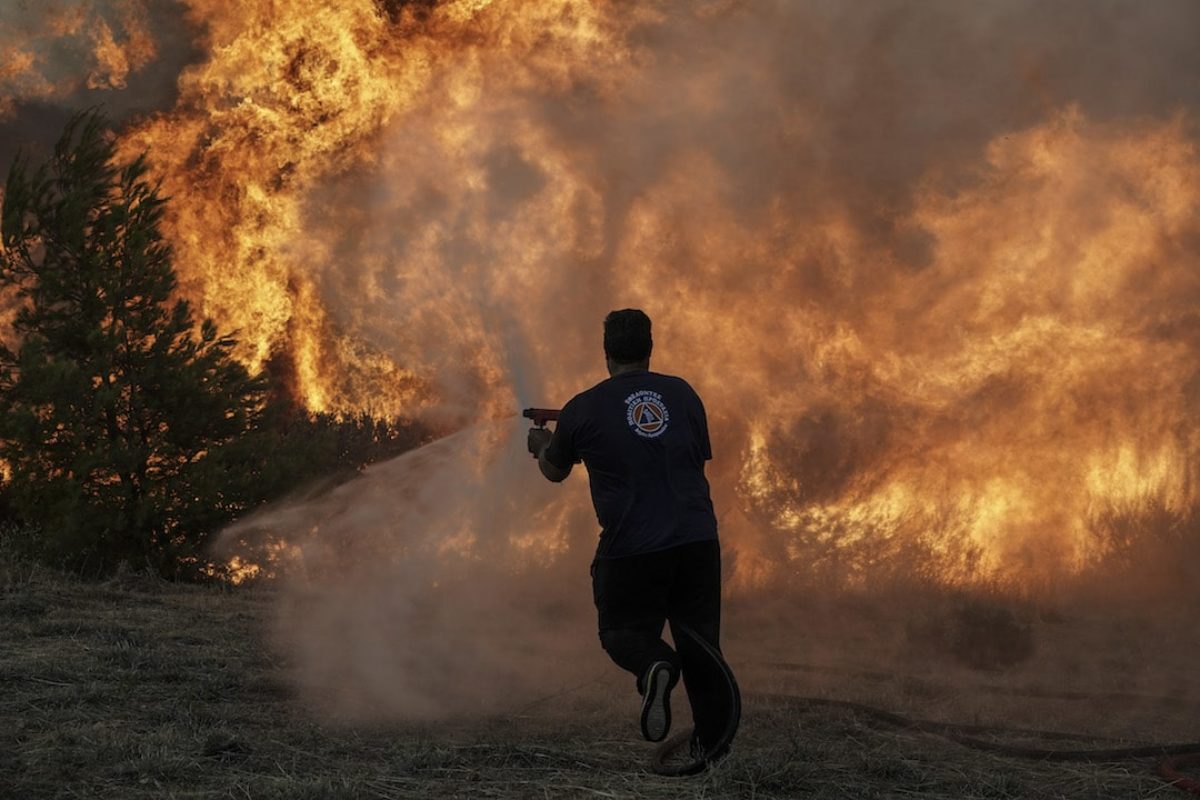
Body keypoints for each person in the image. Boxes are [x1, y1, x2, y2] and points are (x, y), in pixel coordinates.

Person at [527, 308, 733, 758]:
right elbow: (690, 457)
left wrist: (543, 444)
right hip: (698, 539)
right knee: (701, 644)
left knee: (621, 631)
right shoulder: (684, 395)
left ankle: (654, 664)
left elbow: (554, 472)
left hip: (632, 547)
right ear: (650, 348)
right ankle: (711, 747)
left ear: (606, 354)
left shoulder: (583, 408)